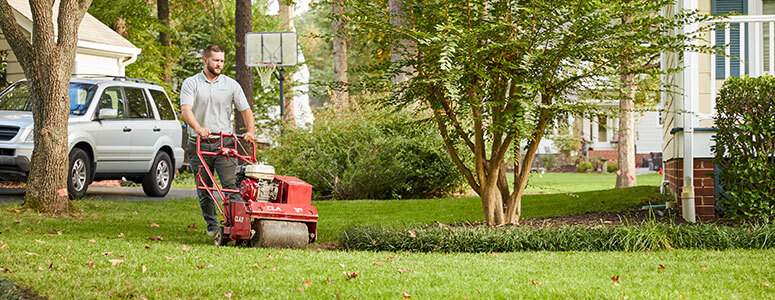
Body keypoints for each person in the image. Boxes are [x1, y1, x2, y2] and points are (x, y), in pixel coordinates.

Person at [180, 44, 255, 236]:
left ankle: (238, 226)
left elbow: (245, 110)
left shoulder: (231, 85)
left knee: (231, 186)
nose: (219, 64)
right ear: (205, 60)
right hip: (198, 143)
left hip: (225, 143)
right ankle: (212, 227)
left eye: (221, 60)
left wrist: (250, 132)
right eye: (215, 60)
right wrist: (198, 128)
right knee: (204, 188)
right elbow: (186, 110)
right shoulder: (191, 83)